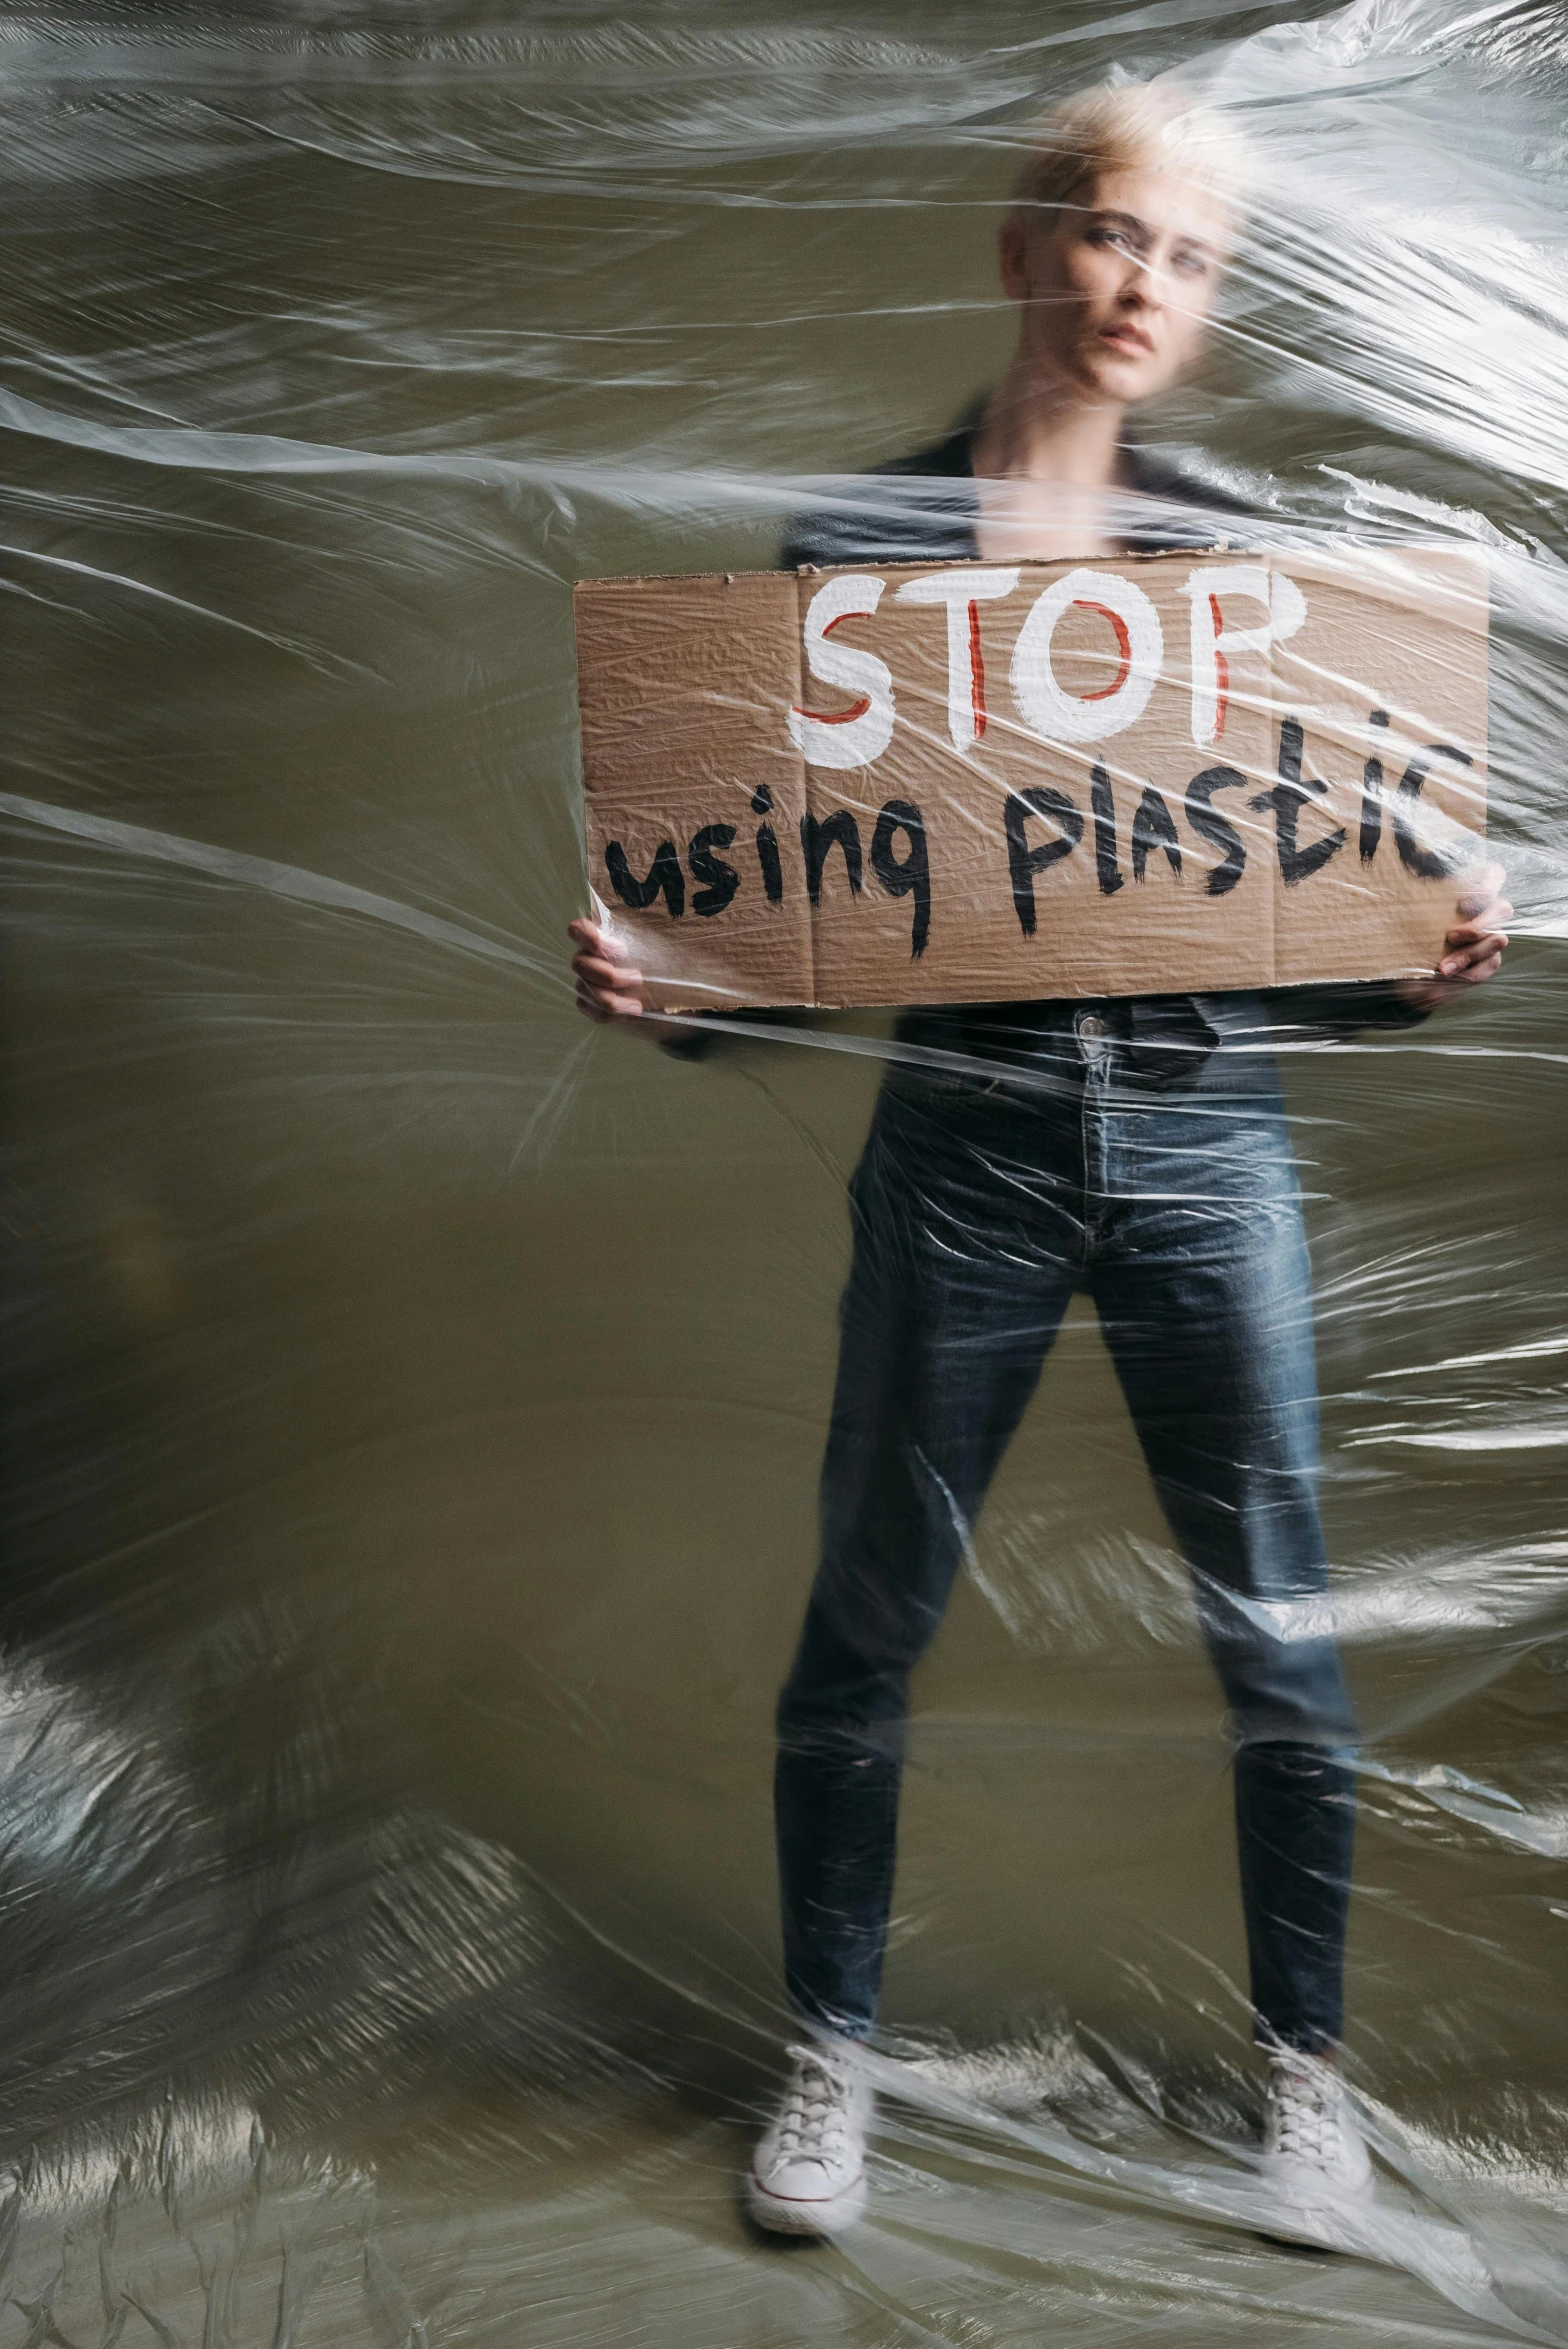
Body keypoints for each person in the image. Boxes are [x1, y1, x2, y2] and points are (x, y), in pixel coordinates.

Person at [566, 83, 1511, 2242]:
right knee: (868, 1619)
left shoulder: (1234, 567)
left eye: (1185, 258)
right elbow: (826, 919)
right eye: (1108, 233)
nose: (1140, 283)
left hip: (1206, 1149)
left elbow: (1279, 920)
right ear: (1024, 248)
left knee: (1278, 1634)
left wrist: (1412, 962)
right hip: (962, 1161)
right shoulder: (859, 553)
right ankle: (829, 2060)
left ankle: (1302, 2083)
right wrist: (681, 985)